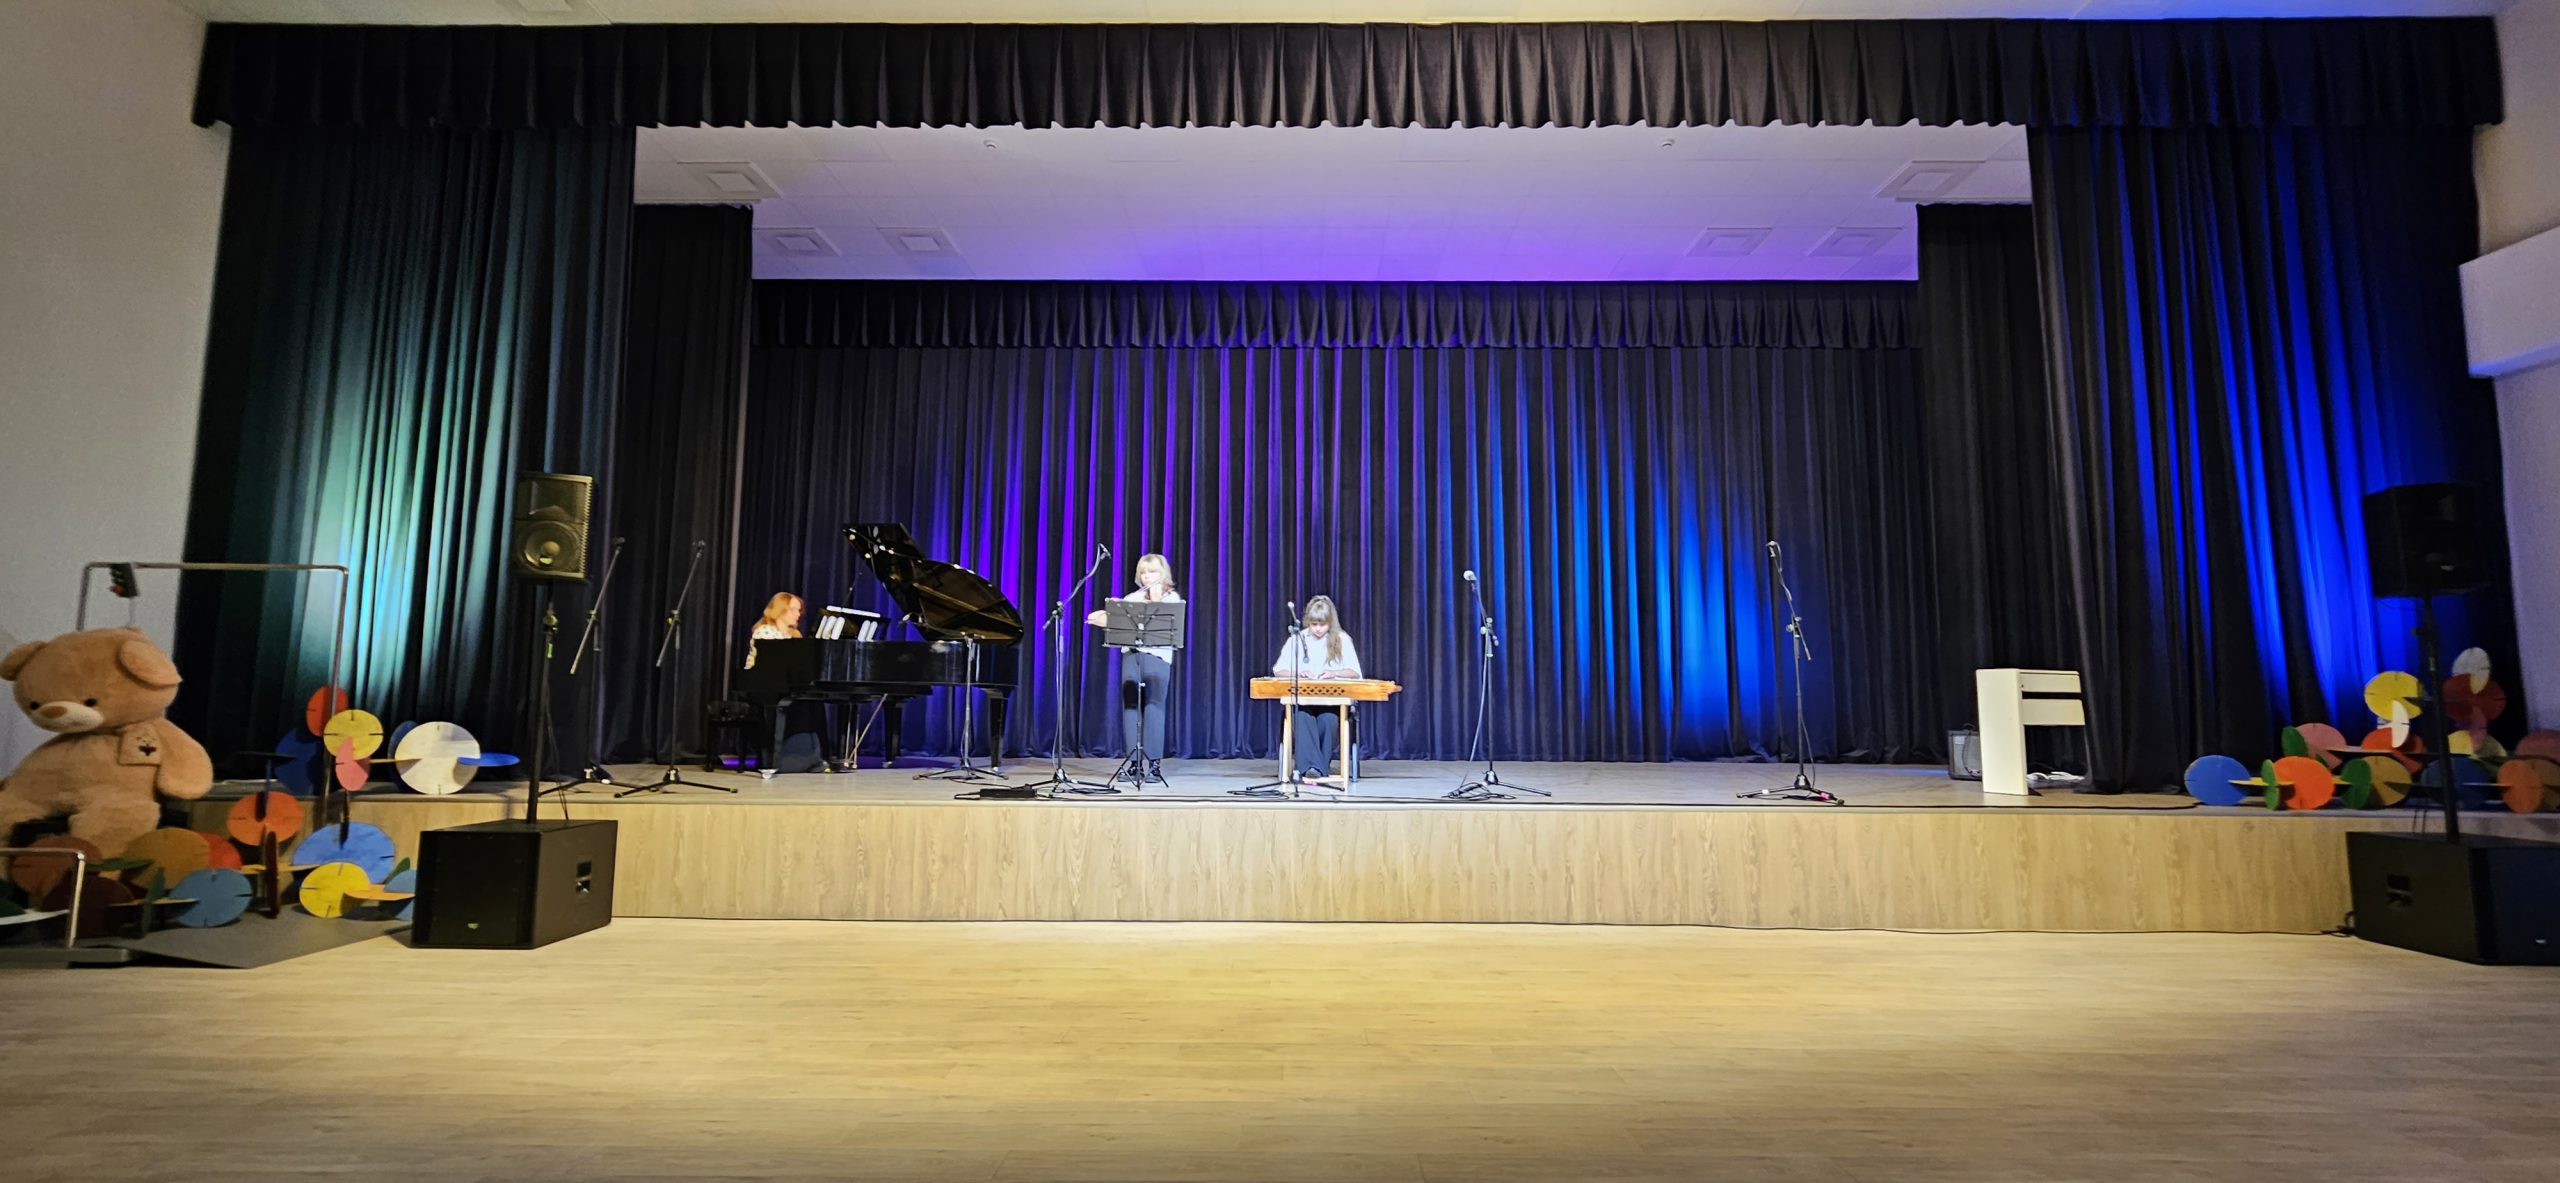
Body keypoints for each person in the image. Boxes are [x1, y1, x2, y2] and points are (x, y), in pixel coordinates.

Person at [1085, 553, 1182, 783]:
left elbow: (1166, 622)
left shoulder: (1172, 598)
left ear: (1162, 574)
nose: (1147, 576)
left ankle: (1154, 766)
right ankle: (1134, 764)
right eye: (1143, 572)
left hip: (1157, 658)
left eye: (1152, 571)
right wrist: (1107, 613)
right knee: (1130, 707)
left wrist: (1155, 600)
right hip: (1132, 656)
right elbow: (1101, 618)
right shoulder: (1133, 598)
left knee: (1154, 707)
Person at [1270, 594, 1362, 780]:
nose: (1318, 629)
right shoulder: (1298, 639)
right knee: (1302, 717)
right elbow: (1278, 670)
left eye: (1323, 624)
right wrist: (1297, 673)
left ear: (1330, 623)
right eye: (1314, 624)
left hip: (1332, 702)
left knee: (1328, 720)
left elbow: (1354, 671)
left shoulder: (1342, 639)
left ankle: (1312, 768)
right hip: (1303, 700)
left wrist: (1334, 673)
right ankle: (1316, 769)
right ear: (1308, 622)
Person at [743, 592, 802, 670]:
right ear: (779, 609)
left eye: (799, 610)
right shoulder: (764, 632)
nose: (798, 614)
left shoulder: (795, 635)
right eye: (793, 609)